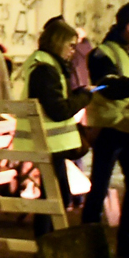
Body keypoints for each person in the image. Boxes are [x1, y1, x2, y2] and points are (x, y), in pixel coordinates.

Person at [84, 2, 129, 257]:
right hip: (109, 129)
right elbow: (108, 88)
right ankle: (90, 243)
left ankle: (127, 242)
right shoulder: (102, 54)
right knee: (99, 186)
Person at [22, 16, 89, 226]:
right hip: (48, 143)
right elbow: (57, 110)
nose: (72, 51)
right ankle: (47, 247)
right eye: (70, 45)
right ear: (59, 42)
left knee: (53, 197)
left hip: (49, 143)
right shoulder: (45, 68)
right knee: (54, 199)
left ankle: (46, 245)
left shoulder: (45, 65)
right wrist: (84, 97)